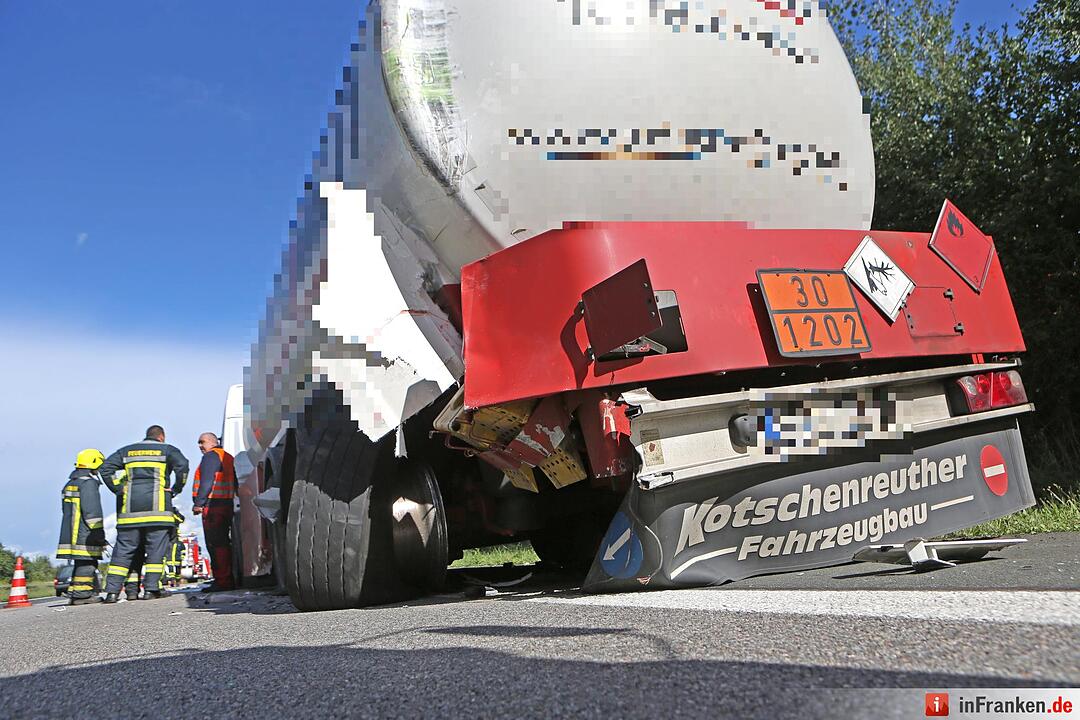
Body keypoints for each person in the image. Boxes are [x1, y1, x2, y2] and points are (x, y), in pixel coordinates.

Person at [99, 425, 189, 602]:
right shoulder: (167, 450)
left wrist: (118, 489)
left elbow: (105, 468)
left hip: (130, 513)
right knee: (155, 551)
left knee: (123, 553)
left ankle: (112, 592)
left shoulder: (127, 451)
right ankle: (151, 590)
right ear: (161, 437)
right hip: (158, 512)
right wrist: (176, 488)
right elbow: (183, 466)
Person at [56, 449, 108, 605]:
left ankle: (77, 593)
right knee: (88, 563)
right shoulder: (88, 483)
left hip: (70, 533)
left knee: (81, 563)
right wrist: (99, 536)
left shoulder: (69, 484)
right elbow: (92, 513)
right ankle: (82, 595)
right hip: (84, 534)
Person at [192, 432, 236, 592]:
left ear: (212, 441)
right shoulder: (228, 456)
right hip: (227, 504)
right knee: (224, 543)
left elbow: (207, 481)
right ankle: (227, 578)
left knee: (216, 544)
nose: (199, 446)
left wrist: (199, 503)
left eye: (202, 442)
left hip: (213, 506)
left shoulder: (211, 456)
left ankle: (222, 581)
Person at [164, 509, 185, 587]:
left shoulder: (174, 516)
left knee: (176, 564)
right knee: (169, 563)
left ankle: (176, 580)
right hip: (168, 541)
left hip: (173, 541)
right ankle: (172, 580)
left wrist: (175, 512)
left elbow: (181, 519)